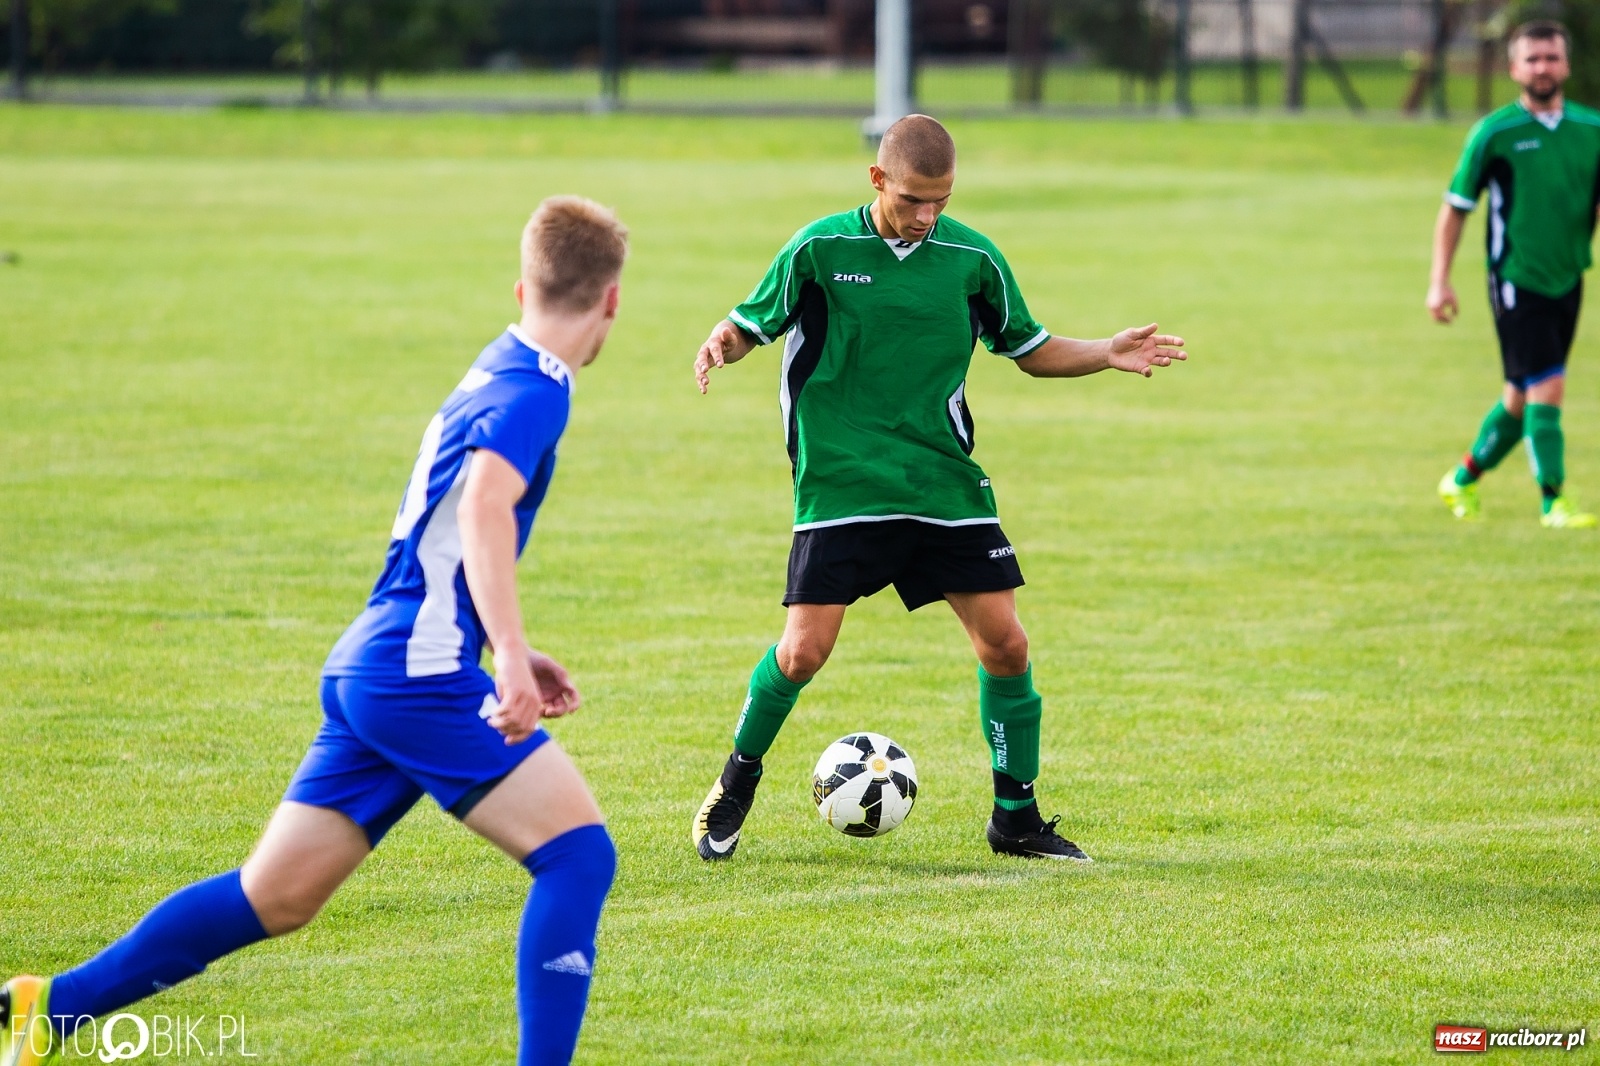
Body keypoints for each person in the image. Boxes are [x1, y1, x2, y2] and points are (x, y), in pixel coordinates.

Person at [0, 195, 629, 1066]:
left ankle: (45, 1009)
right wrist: (509, 659)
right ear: (611, 302)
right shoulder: (537, 391)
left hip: (381, 657)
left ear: (520, 287)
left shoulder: (496, 364)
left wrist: (500, 638)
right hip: (415, 671)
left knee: (277, 897)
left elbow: (445, 531)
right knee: (578, 858)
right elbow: (483, 505)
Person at [689, 114, 1186, 865]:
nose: (927, 217)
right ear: (877, 179)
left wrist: (1105, 352)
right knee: (802, 653)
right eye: (914, 199)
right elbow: (749, 324)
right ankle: (738, 779)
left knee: (1007, 644)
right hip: (844, 479)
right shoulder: (821, 248)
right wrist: (722, 346)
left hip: (941, 482)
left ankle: (1015, 819)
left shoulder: (971, 258)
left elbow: (1029, 348)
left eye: (942, 202)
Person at [1430, 20, 1600, 527]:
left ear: (1566, 65)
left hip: (1569, 275)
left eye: (1551, 57)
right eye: (1532, 59)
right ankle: (1554, 501)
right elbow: (1455, 207)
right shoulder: (1495, 134)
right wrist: (1439, 279)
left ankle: (1461, 479)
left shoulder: (1593, 131)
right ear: (1514, 68)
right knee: (1548, 384)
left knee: (1519, 398)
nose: (1542, 67)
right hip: (1514, 278)